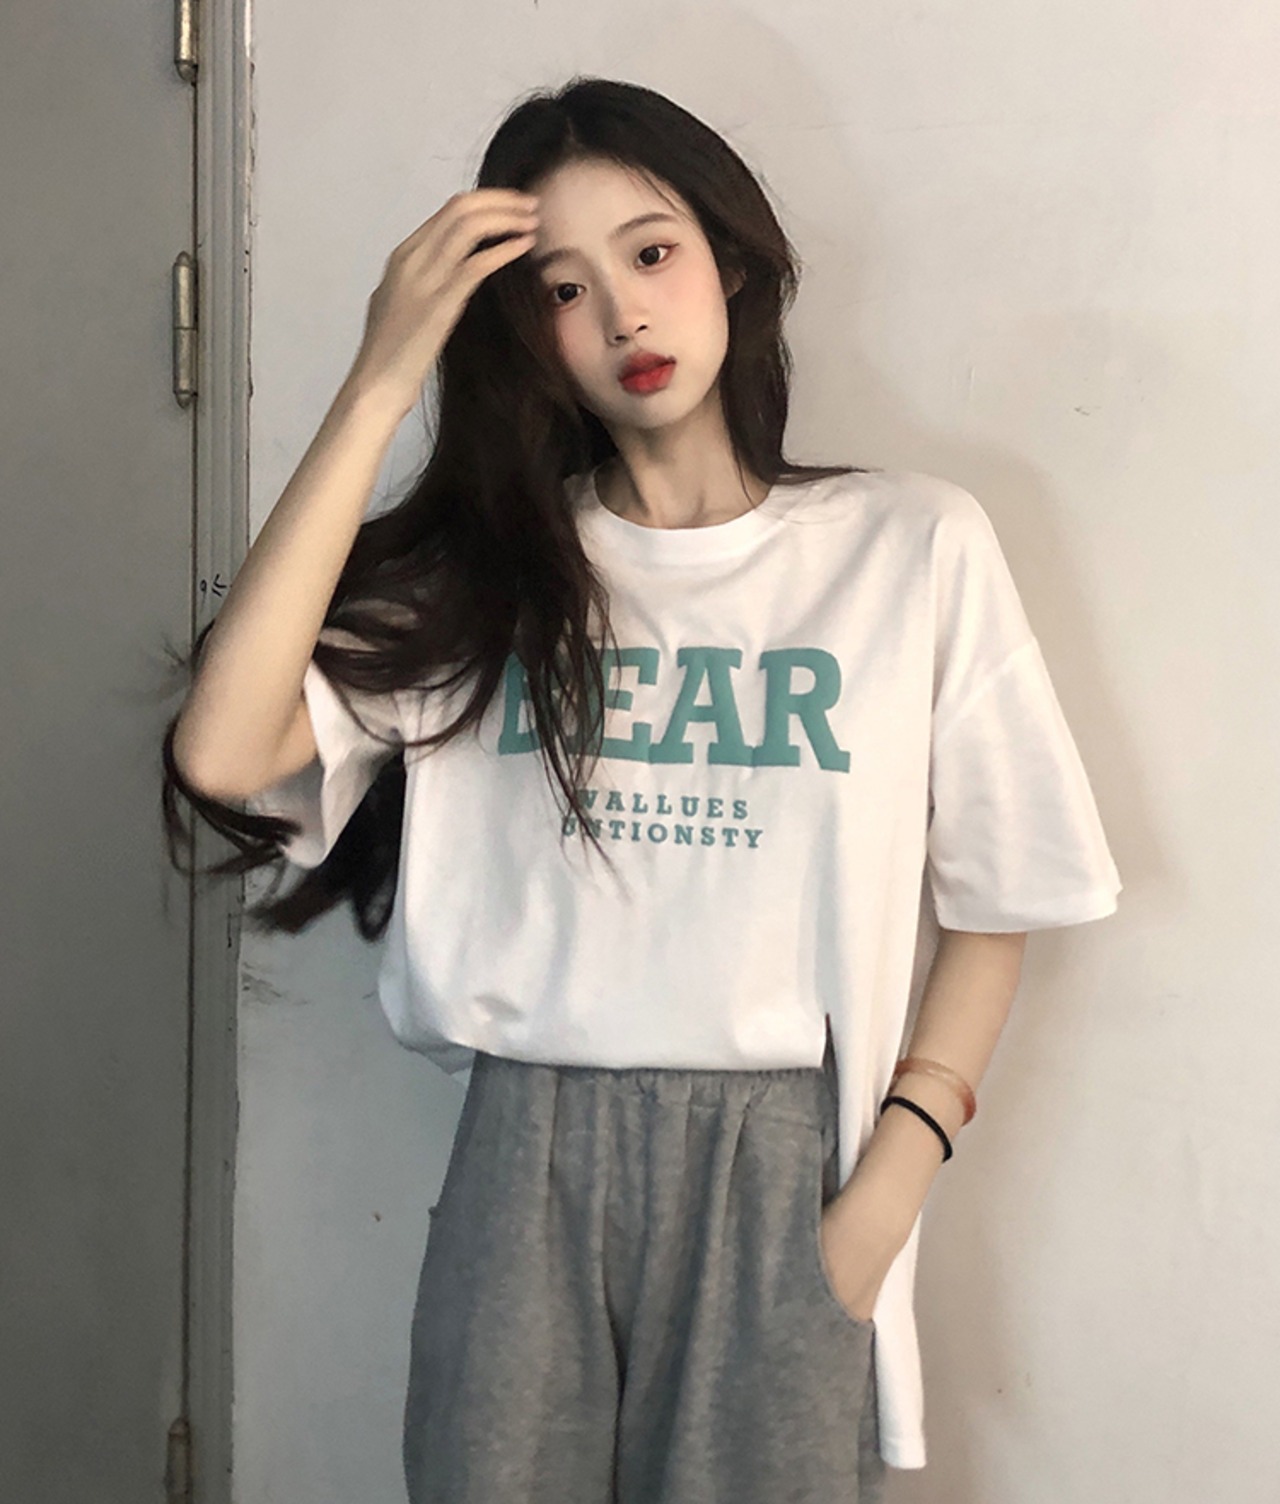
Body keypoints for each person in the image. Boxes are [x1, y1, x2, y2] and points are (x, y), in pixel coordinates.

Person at [164, 75, 1122, 1502]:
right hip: (522, 1162)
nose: (622, 314)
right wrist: (379, 379)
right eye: (564, 287)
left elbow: (1004, 895)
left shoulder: (908, 547)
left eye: (652, 252)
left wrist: (884, 1194)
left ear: (729, 260)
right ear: (526, 334)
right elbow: (223, 754)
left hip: (781, 1172)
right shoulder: (493, 576)